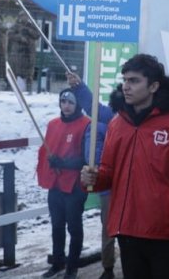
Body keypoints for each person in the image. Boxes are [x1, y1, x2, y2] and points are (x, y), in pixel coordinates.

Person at [81, 53, 169, 278]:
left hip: (164, 234)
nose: (126, 87)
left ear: (153, 86)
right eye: (124, 80)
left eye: (134, 81)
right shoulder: (117, 123)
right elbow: (108, 173)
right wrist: (92, 178)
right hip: (126, 230)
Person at [37, 89, 105, 279]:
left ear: (77, 105)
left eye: (70, 102)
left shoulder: (86, 125)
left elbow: (87, 158)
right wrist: (51, 164)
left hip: (75, 184)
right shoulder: (53, 124)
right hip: (56, 184)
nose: (66, 106)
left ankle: (72, 268)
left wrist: (64, 163)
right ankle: (57, 261)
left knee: (74, 226)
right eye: (63, 102)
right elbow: (46, 150)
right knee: (57, 224)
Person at [67, 72, 122, 279]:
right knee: (109, 227)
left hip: (129, 185)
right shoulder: (110, 117)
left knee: (116, 228)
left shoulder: (139, 121)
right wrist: (79, 87)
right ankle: (108, 268)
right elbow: (92, 106)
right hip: (109, 184)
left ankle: (115, 267)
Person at [7, 11, 39, 92]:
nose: (24, 18)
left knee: (29, 72)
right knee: (16, 71)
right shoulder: (16, 26)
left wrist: (28, 31)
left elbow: (37, 35)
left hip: (29, 53)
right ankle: (13, 89)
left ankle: (29, 89)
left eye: (26, 16)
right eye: (22, 16)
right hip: (18, 54)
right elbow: (9, 34)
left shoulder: (32, 26)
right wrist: (20, 38)